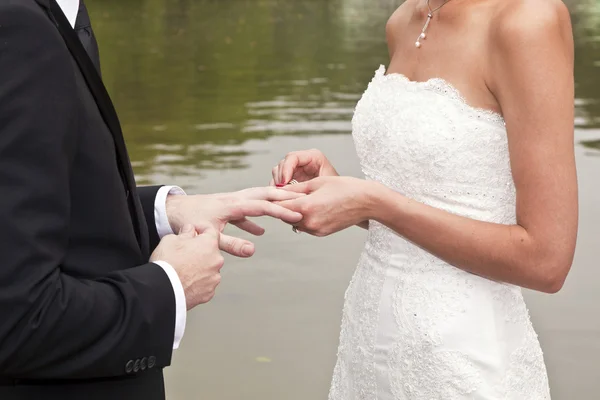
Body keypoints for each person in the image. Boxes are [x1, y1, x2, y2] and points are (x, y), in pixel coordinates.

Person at [272, 0, 577, 398]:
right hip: (367, 342)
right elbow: (425, 200)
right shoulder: (403, 20)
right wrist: (342, 191)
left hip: (464, 355)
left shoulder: (526, 20)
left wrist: (373, 202)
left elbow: (546, 262)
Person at [0, 1, 303, 399]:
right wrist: (169, 287)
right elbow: (17, 321)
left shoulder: (50, 14)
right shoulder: (19, 24)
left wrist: (165, 211)